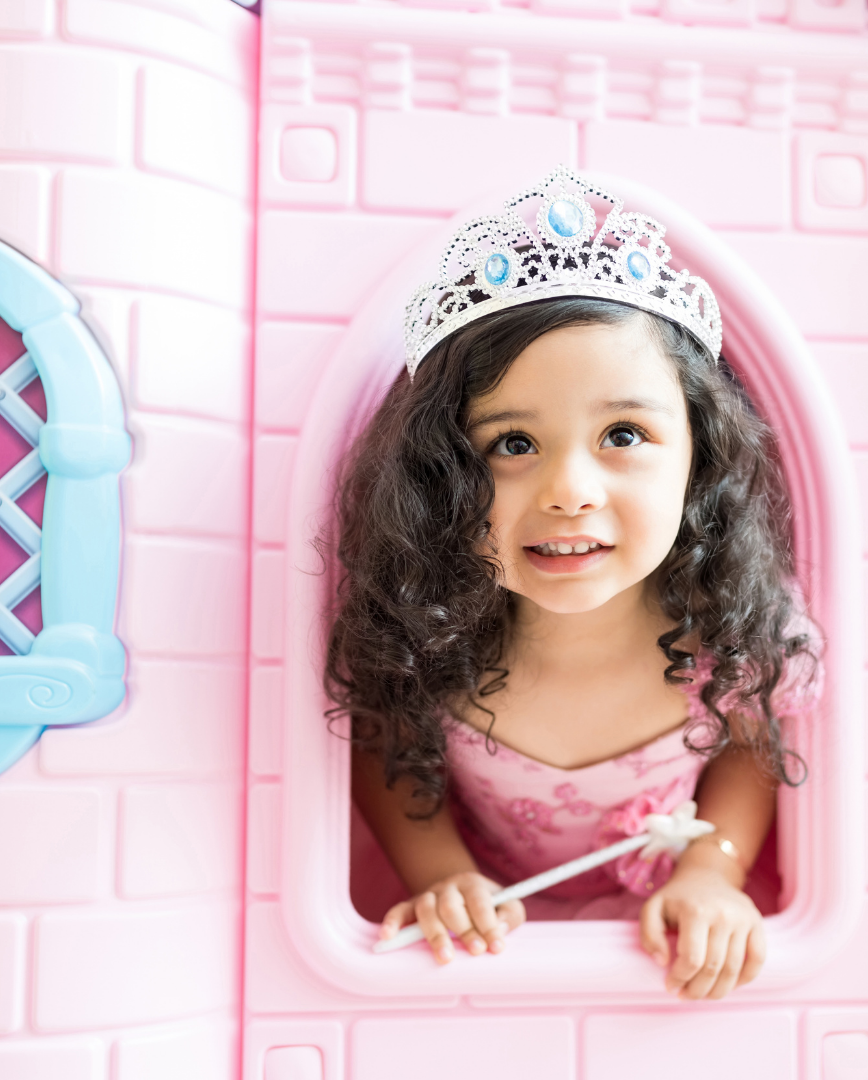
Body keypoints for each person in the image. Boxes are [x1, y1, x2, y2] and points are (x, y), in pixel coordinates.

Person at [324, 167, 819, 1002]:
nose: (569, 490)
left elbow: (751, 746)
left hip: (665, 949)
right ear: (443, 476)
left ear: (698, 456)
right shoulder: (428, 631)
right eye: (513, 444)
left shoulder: (727, 632)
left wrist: (712, 866)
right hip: (492, 948)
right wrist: (441, 872)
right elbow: (383, 744)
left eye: (623, 433)